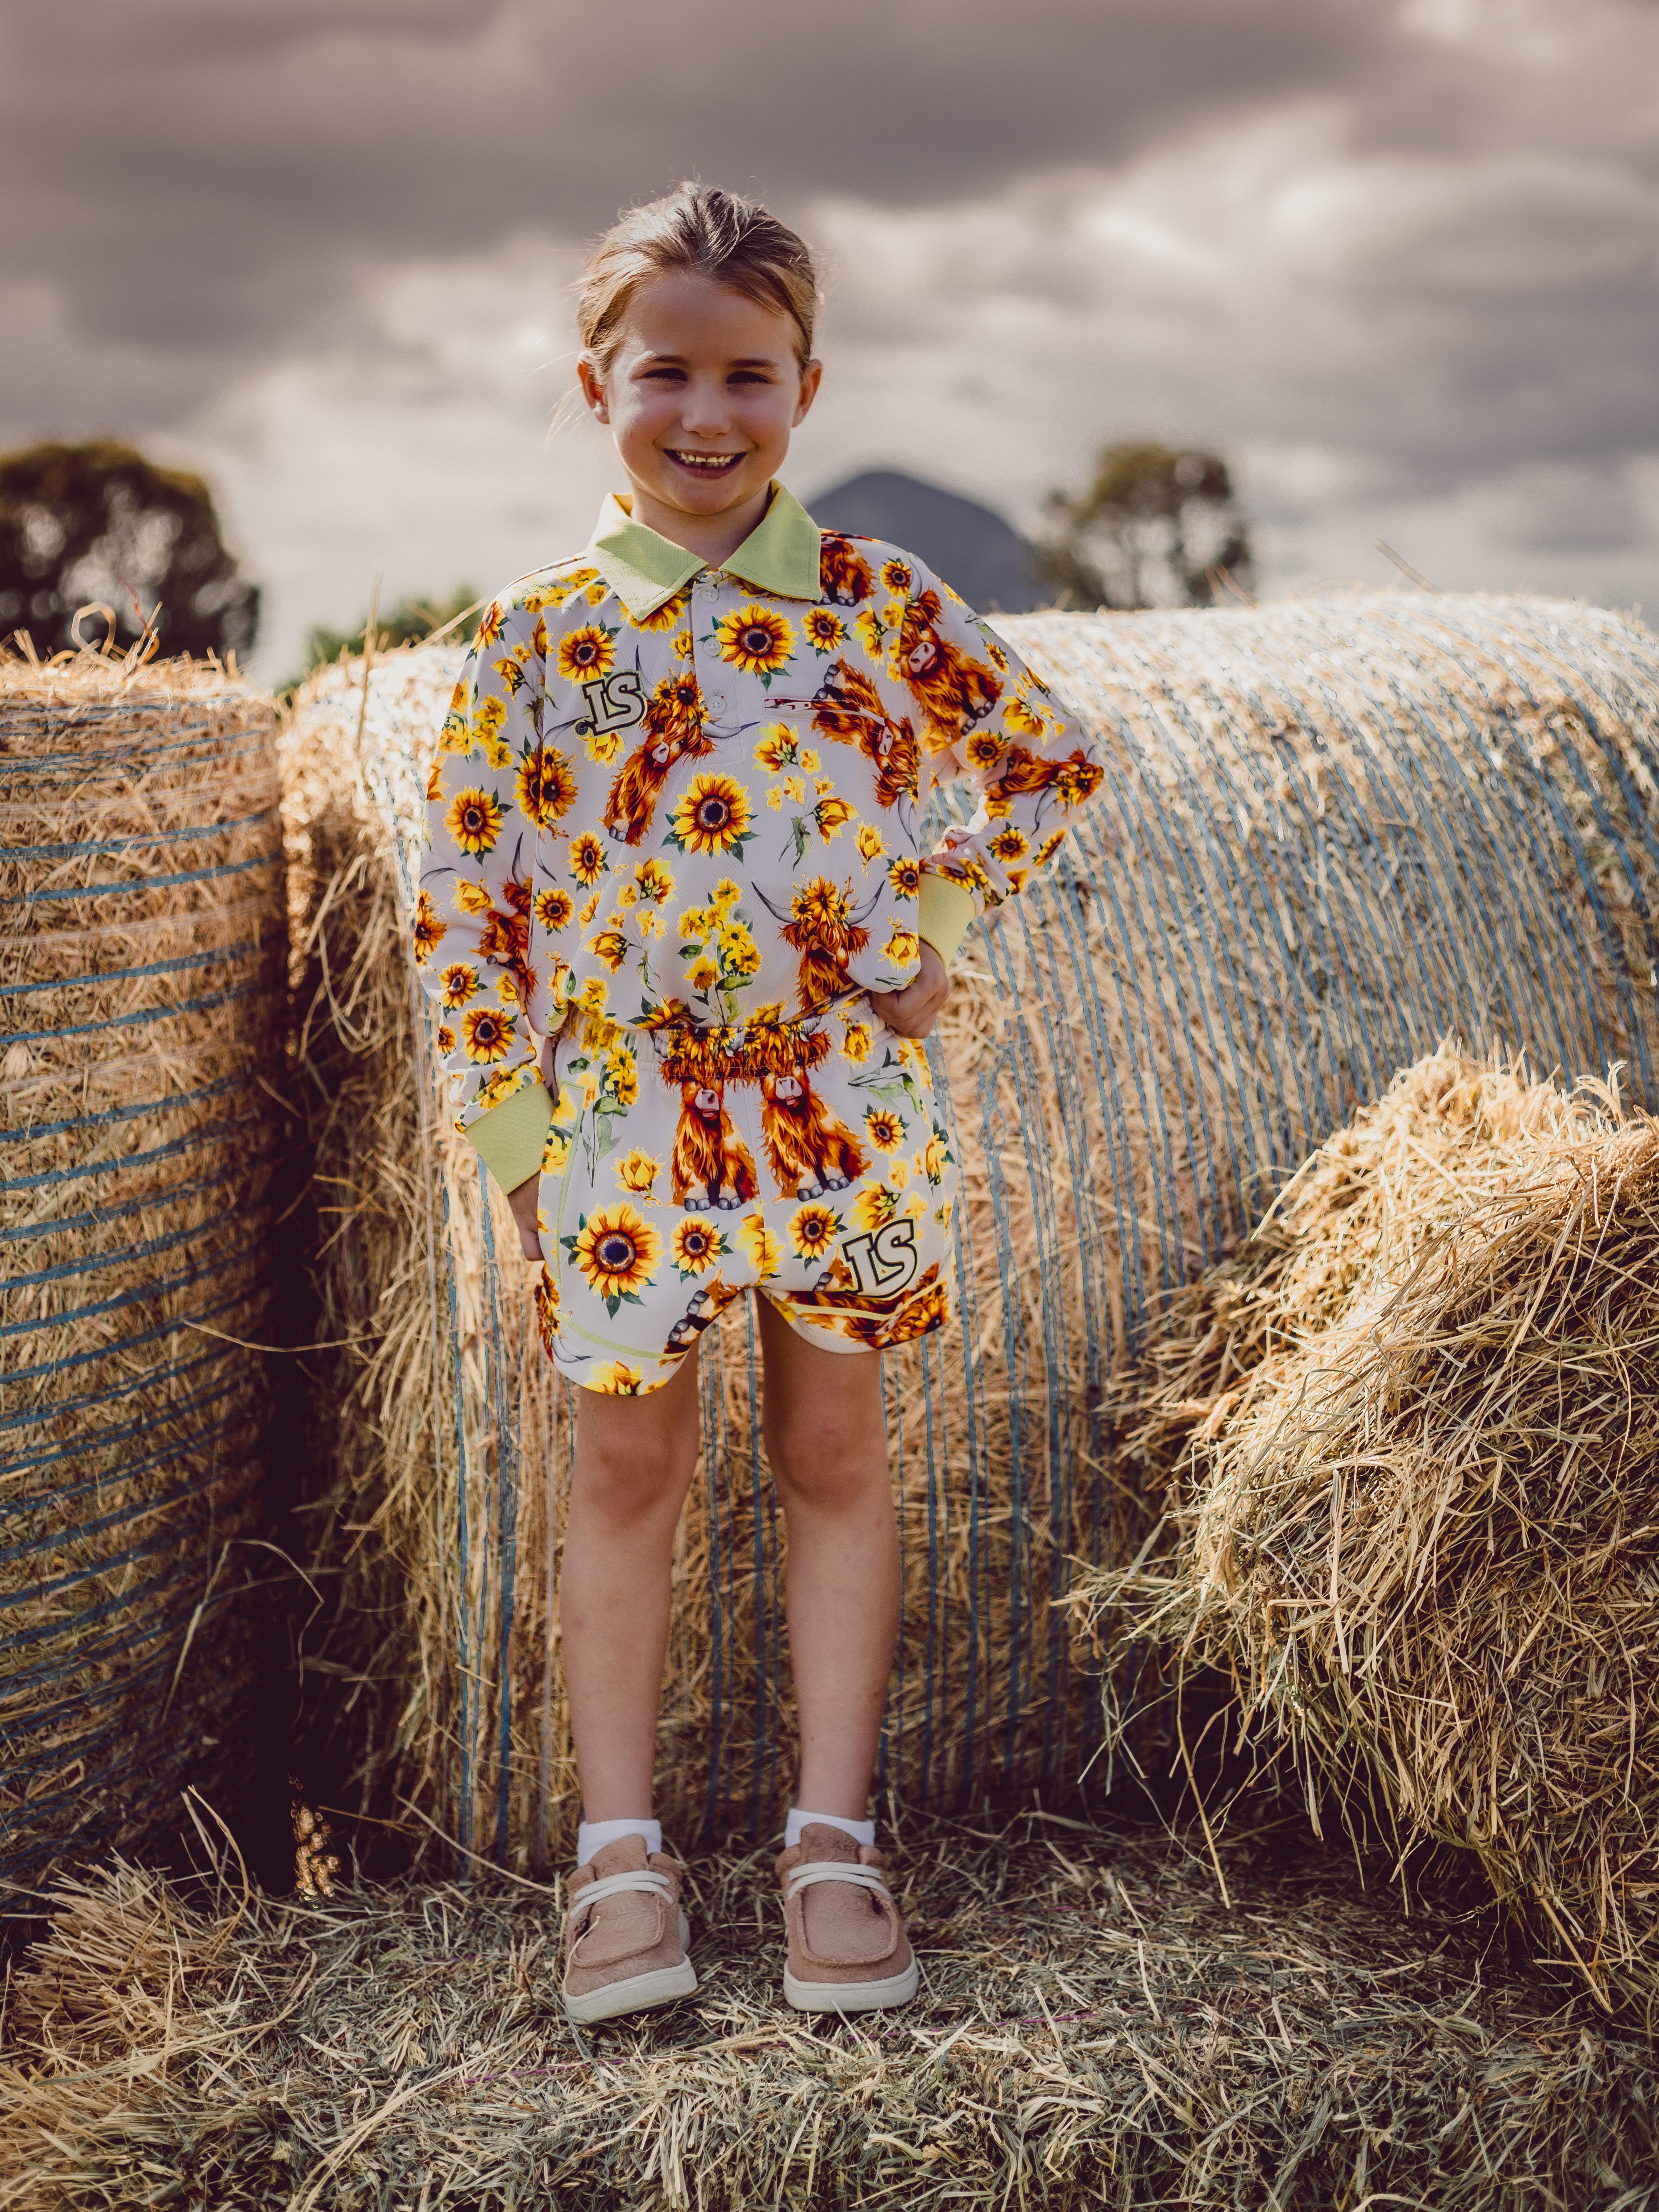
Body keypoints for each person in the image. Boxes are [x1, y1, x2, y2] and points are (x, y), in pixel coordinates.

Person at [417, 182, 1104, 2024]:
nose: (704, 415)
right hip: (622, 1133)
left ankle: (829, 1838)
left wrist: (934, 925)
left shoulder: (882, 603)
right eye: (666, 373)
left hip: (841, 1110)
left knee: (834, 1454)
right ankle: (618, 1857)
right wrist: (513, 1146)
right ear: (596, 385)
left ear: (806, 386)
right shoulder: (531, 641)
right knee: (624, 1467)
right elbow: (463, 906)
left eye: (747, 375)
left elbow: (1044, 759)